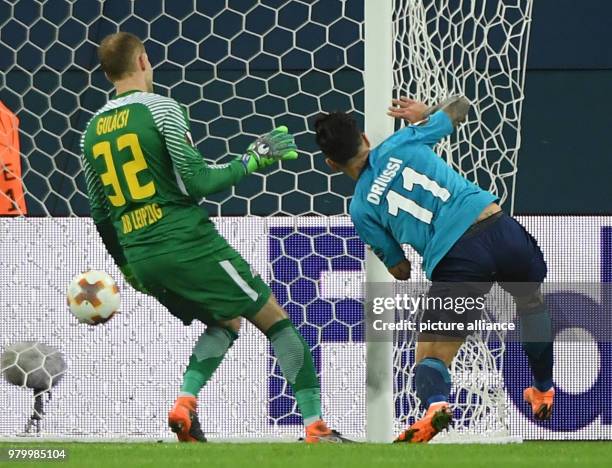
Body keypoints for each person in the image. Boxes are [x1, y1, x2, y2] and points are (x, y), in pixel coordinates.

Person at [81, 32, 348, 443]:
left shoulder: (91, 131)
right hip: (186, 242)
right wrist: (252, 159)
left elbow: (101, 215)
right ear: (143, 61)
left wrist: (130, 271)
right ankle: (316, 427)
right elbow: (199, 181)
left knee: (225, 319)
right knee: (275, 320)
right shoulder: (162, 110)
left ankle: (184, 406)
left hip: (142, 259)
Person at [313, 96, 553, 442]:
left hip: (457, 258)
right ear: (365, 138)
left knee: (430, 353)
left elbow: (400, 269)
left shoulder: (361, 209)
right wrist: (425, 114)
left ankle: (437, 407)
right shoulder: (404, 139)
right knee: (531, 302)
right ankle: (543, 389)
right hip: (497, 225)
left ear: (332, 164)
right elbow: (460, 107)